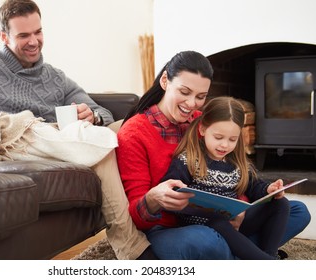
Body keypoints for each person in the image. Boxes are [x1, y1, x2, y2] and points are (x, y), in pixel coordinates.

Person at [0, 0, 155, 260]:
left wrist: (93, 115)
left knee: (130, 127)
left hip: (53, 139)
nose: (34, 41)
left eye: (38, 32)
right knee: (93, 141)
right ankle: (132, 249)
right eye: (23, 35)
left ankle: (159, 219)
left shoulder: (55, 77)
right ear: (4, 36)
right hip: (8, 140)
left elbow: (101, 112)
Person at [117, 50, 311, 259]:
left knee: (297, 211)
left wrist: (240, 207)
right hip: (169, 230)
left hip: (223, 223)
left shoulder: (205, 121)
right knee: (207, 240)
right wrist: (153, 199)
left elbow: (234, 171)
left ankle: (243, 255)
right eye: (184, 92)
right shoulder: (134, 133)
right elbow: (136, 216)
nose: (191, 104)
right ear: (165, 80)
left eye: (201, 97)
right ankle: (248, 255)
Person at [161, 96, 290, 259]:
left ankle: (268, 255)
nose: (225, 145)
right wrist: (178, 196)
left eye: (232, 140)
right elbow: (168, 192)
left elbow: (255, 187)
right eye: (218, 137)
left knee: (281, 204)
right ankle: (265, 262)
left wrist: (269, 189)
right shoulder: (187, 160)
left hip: (233, 223)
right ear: (202, 130)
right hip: (203, 227)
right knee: (218, 221)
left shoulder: (237, 163)